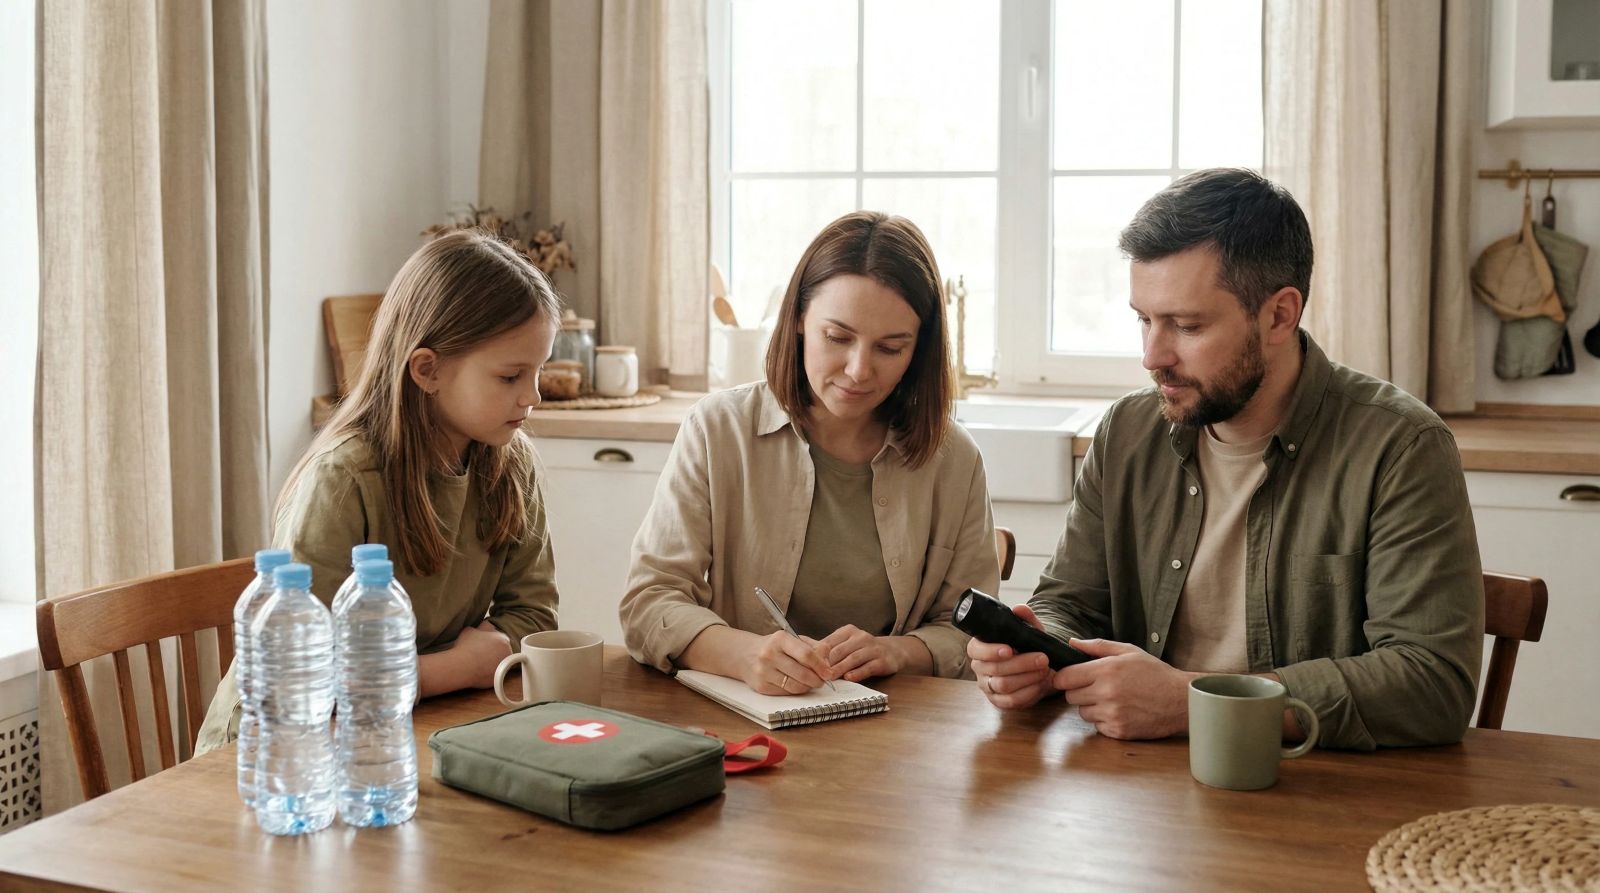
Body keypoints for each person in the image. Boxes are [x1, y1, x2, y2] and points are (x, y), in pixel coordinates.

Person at [970, 169, 1484, 750]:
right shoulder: (1128, 431)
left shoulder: (1399, 447)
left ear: (1279, 316)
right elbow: (1069, 603)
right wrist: (1033, 652)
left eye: (1186, 326)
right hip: (1131, 784)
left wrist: (1194, 702)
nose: (1152, 356)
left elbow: (1432, 682)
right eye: (1144, 319)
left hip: (1311, 792)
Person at [197, 229, 563, 752]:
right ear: (428, 370)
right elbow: (297, 675)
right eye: (510, 376)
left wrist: (438, 675)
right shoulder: (344, 480)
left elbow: (534, 619)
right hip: (273, 753)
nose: (533, 396)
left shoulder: (511, 463)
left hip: (401, 730)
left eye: (539, 371)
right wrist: (451, 669)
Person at [621, 211, 999, 694]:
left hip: (900, 724)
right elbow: (648, 601)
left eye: (890, 348)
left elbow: (970, 629)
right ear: (799, 318)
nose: (860, 370)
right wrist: (742, 654)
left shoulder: (954, 458)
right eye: (837, 337)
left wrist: (897, 652)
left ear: (919, 350)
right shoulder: (718, 430)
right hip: (746, 718)